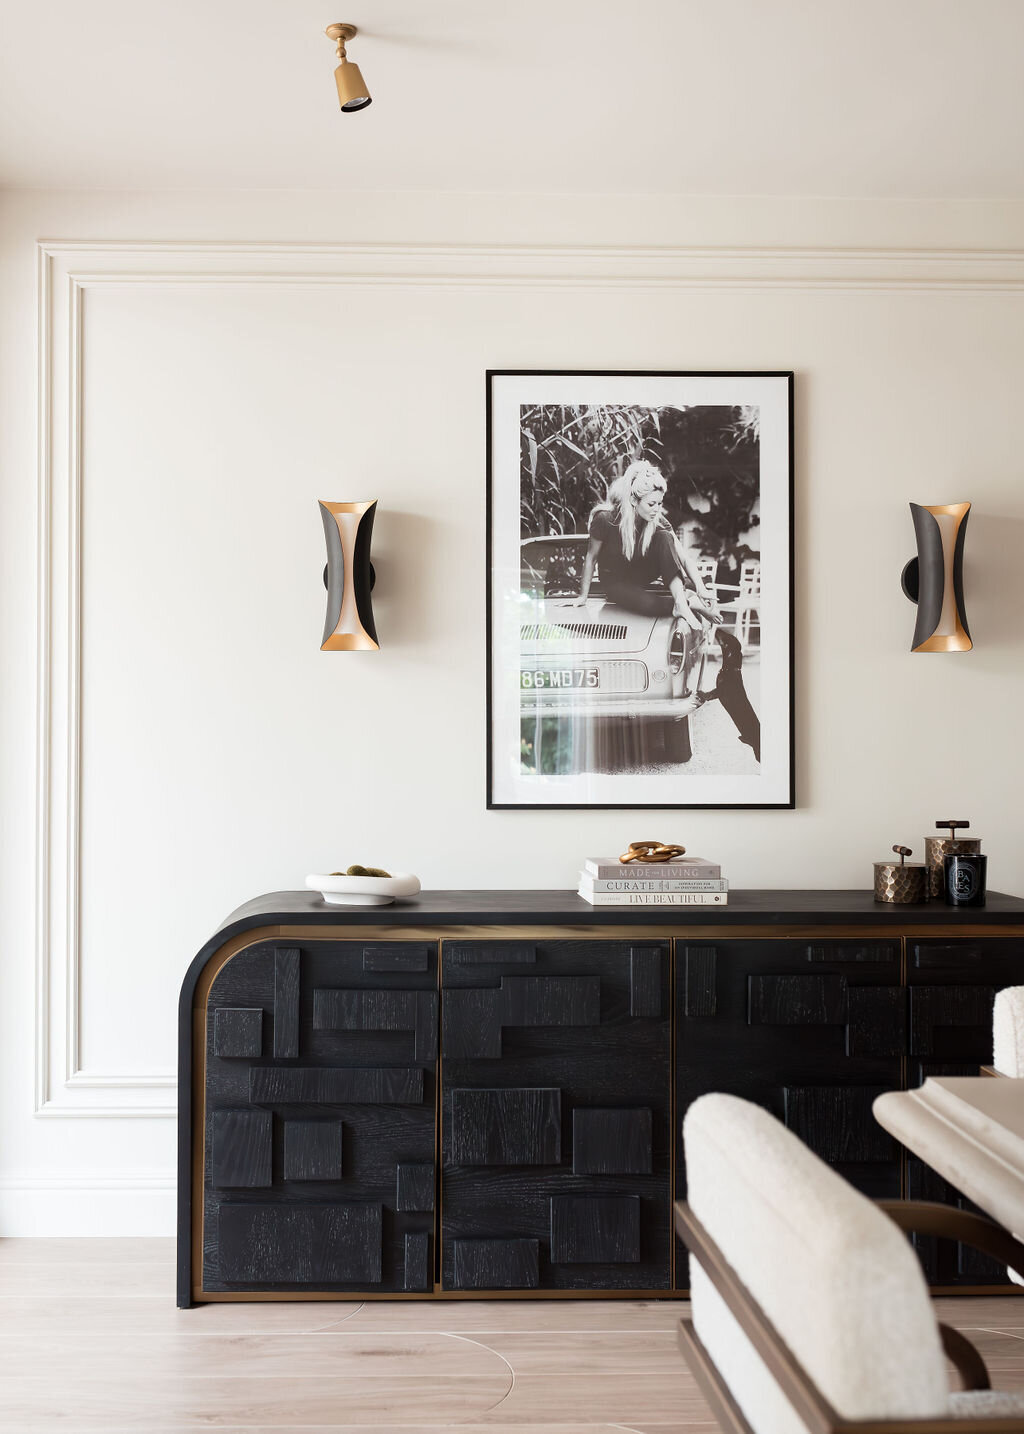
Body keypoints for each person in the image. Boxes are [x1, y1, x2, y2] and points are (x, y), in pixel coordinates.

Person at [571, 460, 719, 630]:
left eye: (660, 503)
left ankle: (681, 602)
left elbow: (684, 558)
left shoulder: (657, 520)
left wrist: (700, 588)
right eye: (651, 504)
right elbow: (591, 558)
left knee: (664, 537)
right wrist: (583, 596)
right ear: (634, 500)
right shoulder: (605, 519)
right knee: (649, 605)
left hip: (641, 575)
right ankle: (690, 603)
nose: (657, 509)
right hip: (616, 581)